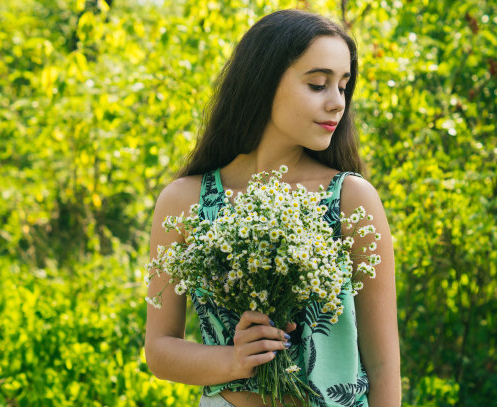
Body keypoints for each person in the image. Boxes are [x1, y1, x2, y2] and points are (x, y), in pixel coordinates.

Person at [145, 9, 400, 407]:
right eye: (318, 84)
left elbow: (383, 365)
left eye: (343, 86)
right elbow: (160, 349)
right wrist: (233, 358)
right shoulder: (184, 200)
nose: (337, 103)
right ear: (263, 82)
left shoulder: (351, 199)